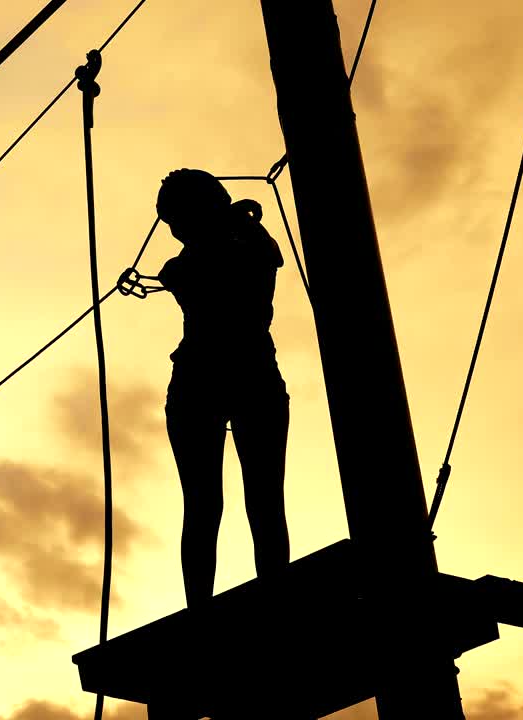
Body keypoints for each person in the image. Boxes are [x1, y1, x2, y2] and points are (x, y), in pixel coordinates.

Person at [143, 168, 291, 608]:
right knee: (214, 505)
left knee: (247, 502)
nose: (174, 232)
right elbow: (184, 271)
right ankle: (209, 609)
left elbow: (205, 269)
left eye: (176, 222)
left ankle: (269, 600)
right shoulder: (218, 252)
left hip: (231, 378)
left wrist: (235, 223)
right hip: (221, 379)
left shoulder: (243, 248)